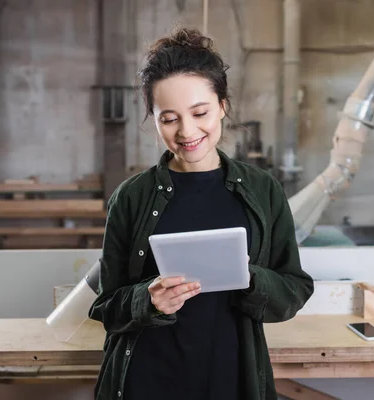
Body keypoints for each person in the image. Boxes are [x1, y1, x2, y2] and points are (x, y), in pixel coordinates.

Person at [88, 27, 314, 400]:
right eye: (169, 118)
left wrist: (249, 277)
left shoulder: (263, 190)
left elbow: (295, 290)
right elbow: (105, 306)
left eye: (200, 112)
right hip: (146, 379)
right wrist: (149, 298)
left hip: (230, 377)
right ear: (154, 119)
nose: (186, 131)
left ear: (222, 105)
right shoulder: (131, 197)